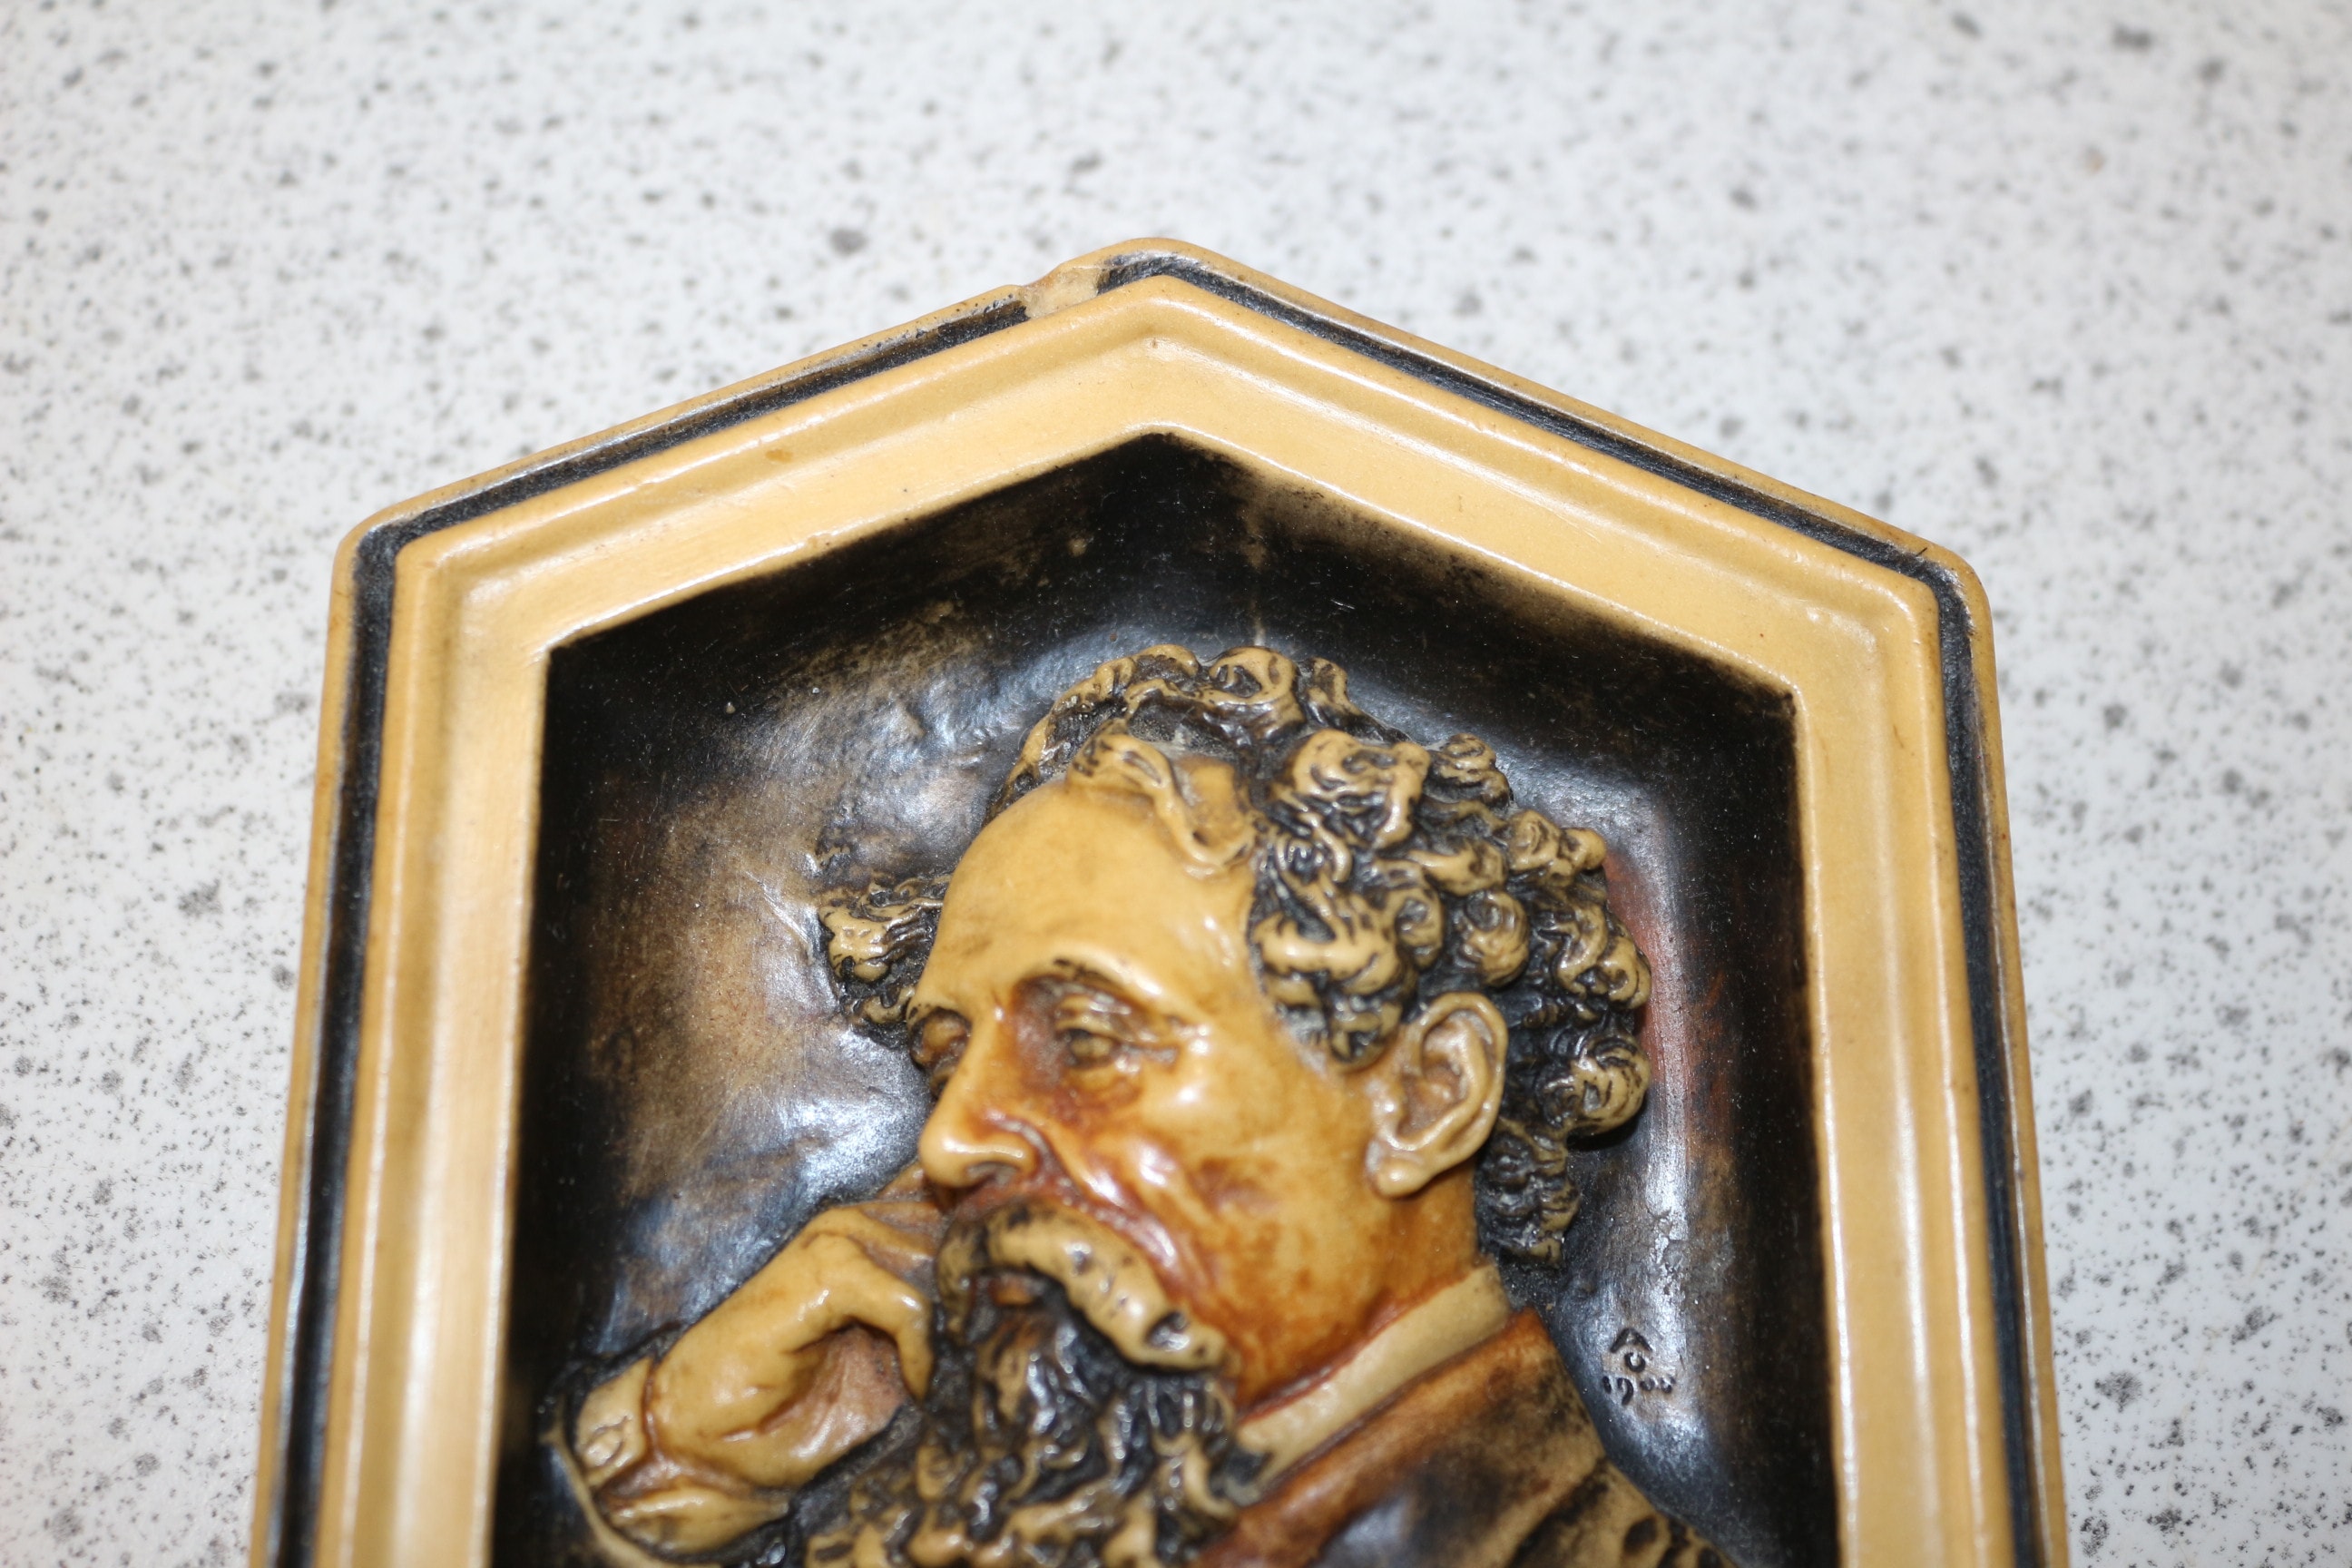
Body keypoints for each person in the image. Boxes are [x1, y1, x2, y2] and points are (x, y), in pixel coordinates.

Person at [568, 645, 1730, 1568]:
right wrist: (679, 1468)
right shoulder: (1003, 1489)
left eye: (1085, 1039)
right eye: (946, 1057)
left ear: (1428, 1097)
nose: (951, 1140)